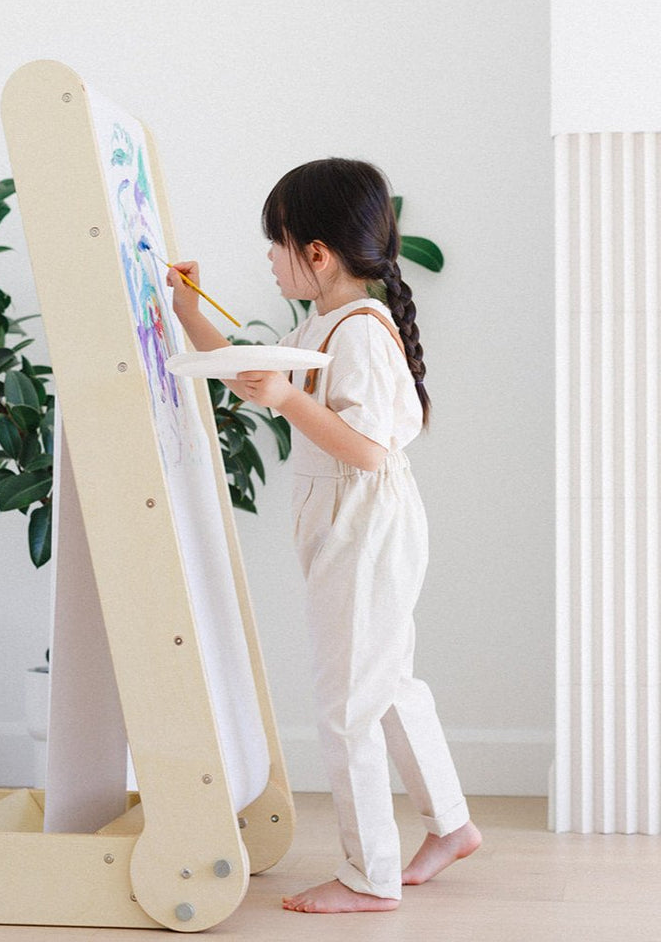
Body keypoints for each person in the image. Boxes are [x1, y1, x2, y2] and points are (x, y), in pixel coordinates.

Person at [166, 158, 481, 914]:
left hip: (362, 519)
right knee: (386, 682)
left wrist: (283, 402)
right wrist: (185, 311)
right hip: (346, 516)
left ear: (317, 253)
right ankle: (452, 824)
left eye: (276, 245)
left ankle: (369, 874)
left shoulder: (362, 333)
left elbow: (369, 449)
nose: (268, 261)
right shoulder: (325, 323)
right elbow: (251, 371)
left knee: (347, 704)